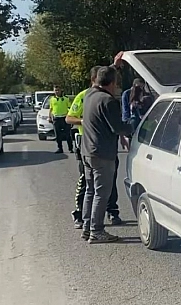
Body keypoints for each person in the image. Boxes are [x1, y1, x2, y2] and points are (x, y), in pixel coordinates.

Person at [80, 66, 133, 243]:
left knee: (90, 191)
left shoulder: (89, 95)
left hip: (87, 151)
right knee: (102, 194)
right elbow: (118, 127)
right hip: (102, 153)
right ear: (112, 83)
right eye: (116, 82)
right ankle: (97, 231)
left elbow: (102, 76)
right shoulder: (108, 101)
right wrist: (133, 125)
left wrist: (114, 66)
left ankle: (87, 228)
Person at [66, 65, 103, 229]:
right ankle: (79, 213)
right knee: (85, 179)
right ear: (93, 80)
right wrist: (83, 121)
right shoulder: (83, 96)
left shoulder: (103, 96)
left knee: (104, 181)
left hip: (100, 143)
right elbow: (69, 118)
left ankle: (108, 211)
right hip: (84, 141)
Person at [48, 85, 73, 154]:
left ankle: (70, 148)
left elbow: (69, 108)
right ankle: (60, 148)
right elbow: (51, 109)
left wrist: (70, 117)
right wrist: (49, 117)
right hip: (56, 119)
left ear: (61, 90)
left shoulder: (66, 99)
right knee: (57, 135)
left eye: (58, 90)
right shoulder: (52, 99)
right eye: (55, 90)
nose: (57, 92)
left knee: (68, 134)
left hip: (64, 118)